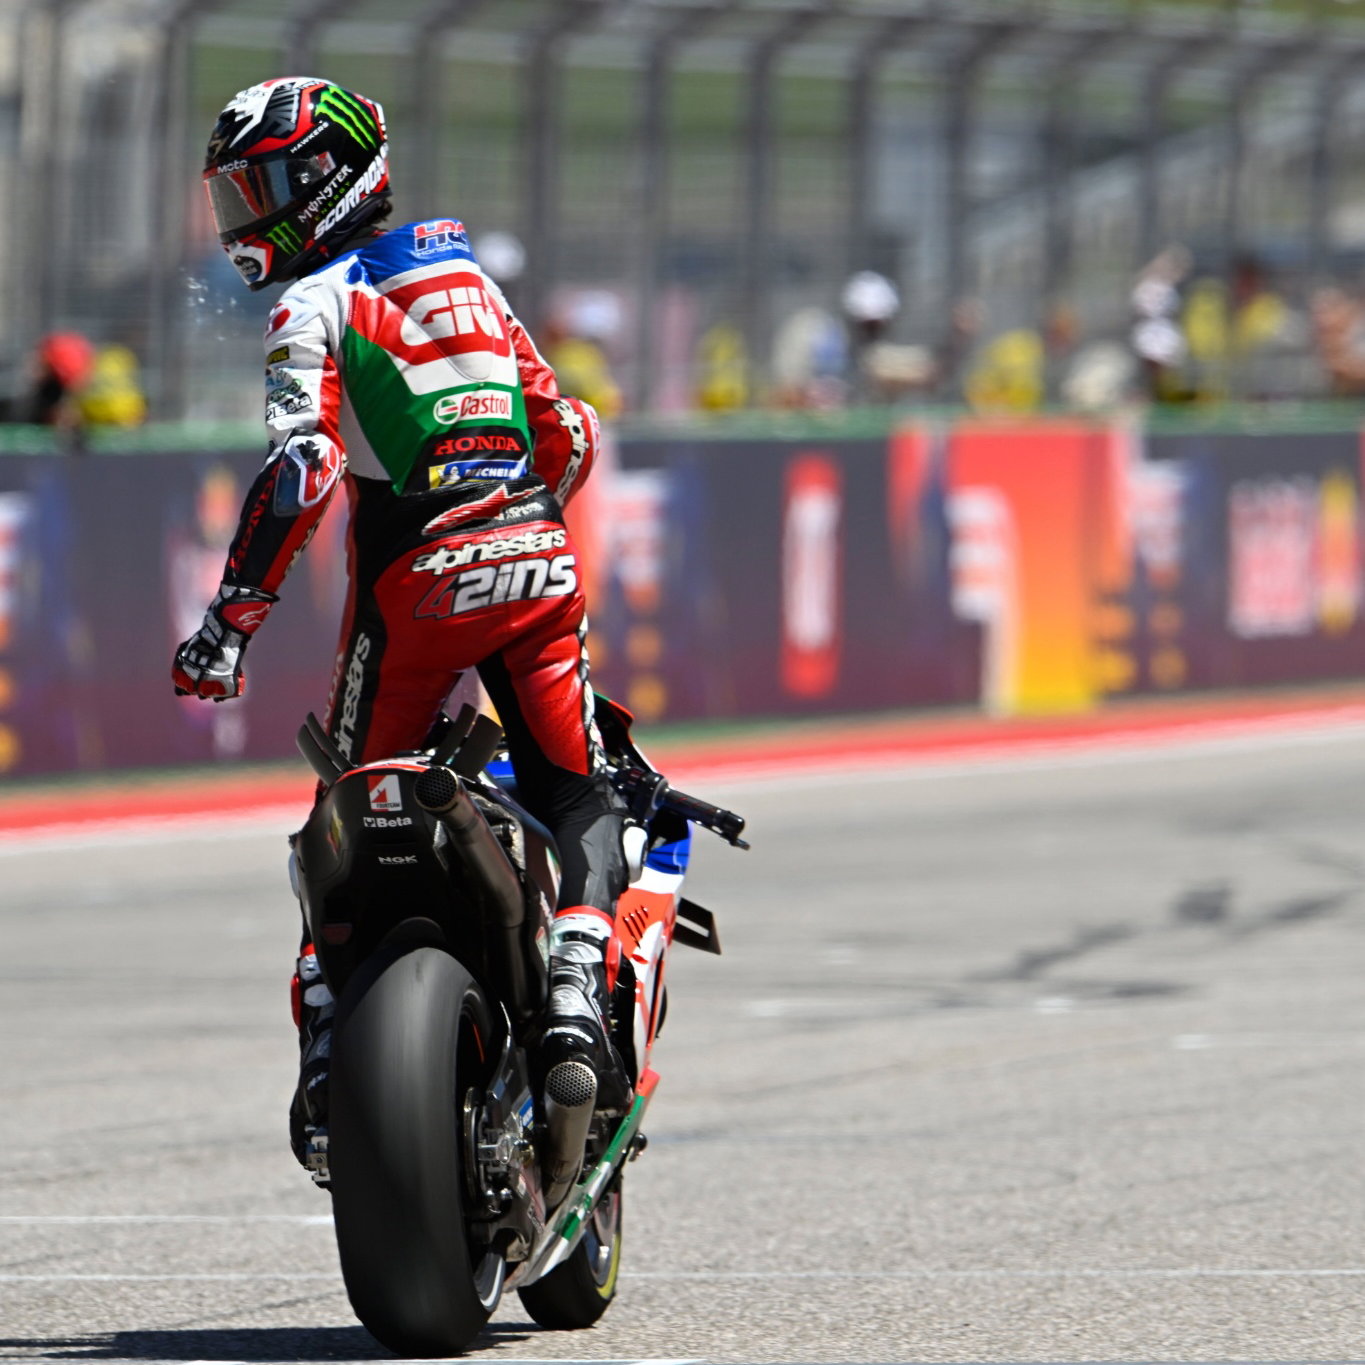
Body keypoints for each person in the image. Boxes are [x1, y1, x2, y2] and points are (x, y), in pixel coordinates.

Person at [171, 78, 631, 1180]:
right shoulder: (463, 271)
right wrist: (521, 531)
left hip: (414, 582)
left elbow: (307, 465)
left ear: (328, 182)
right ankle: (573, 979)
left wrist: (230, 622)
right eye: (236, 193)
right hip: (533, 549)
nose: (246, 218)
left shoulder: (312, 300)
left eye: (265, 189)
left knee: (343, 810)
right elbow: (566, 430)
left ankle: (334, 1033)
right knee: (576, 790)